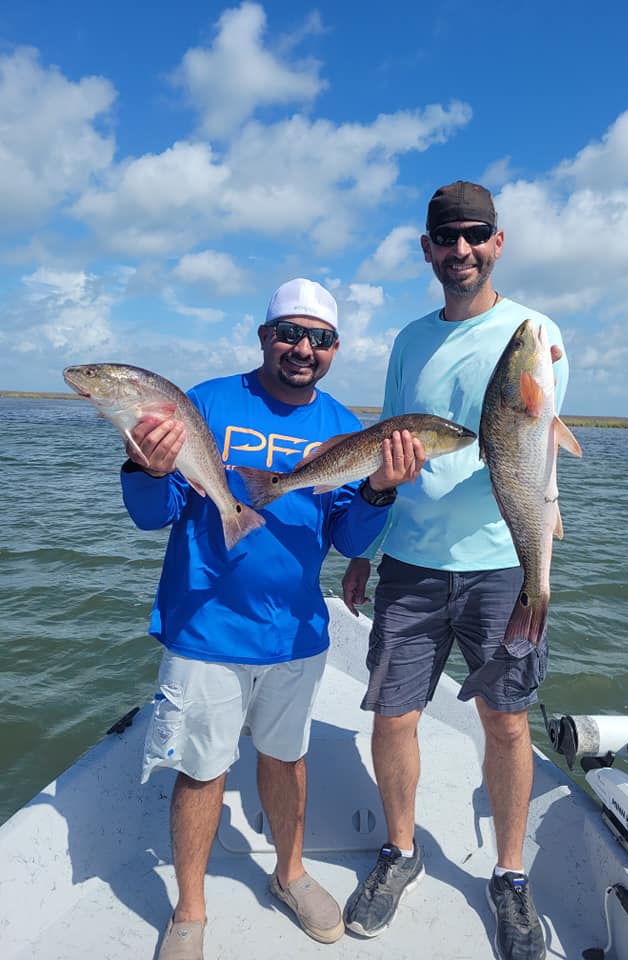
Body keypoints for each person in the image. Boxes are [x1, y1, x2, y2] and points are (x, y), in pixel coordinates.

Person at [121, 277, 425, 960]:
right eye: (287, 332)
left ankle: (289, 873)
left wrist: (378, 487)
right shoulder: (205, 402)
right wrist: (143, 466)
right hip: (205, 629)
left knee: (287, 763)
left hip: (294, 632)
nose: (301, 348)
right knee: (202, 771)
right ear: (264, 337)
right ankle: (190, 910)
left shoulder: (346, 428)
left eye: (317, 338)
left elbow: (347, 542)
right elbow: (151, 514)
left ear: (335, 348)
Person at [341, 182, 569, 960]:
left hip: (504, 562)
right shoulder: (408, 340)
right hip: (409, 559)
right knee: (392, 714)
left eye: (475, 235)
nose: (461, 250)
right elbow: (389, 445)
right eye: (447, 238)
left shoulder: (533, 333)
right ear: (427, 249)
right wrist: (365, 549)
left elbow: (534, 436)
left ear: (497, 242)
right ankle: (400, 852)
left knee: (506, 721)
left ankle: (509, 875)